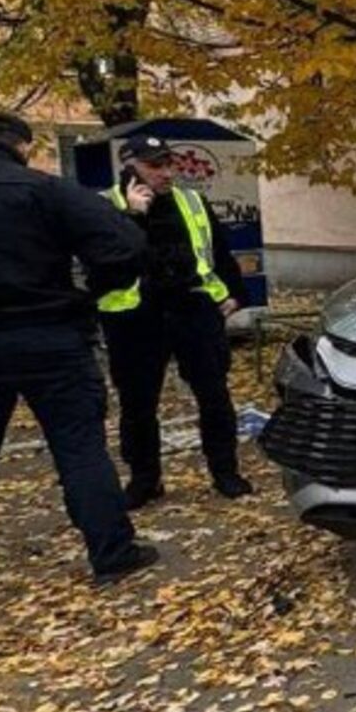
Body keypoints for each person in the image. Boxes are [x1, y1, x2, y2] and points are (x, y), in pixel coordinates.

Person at [0, 113, 161, 612]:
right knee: (80, 450)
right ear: (22, 146)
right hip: (49, 339)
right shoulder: (43, 189)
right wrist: (89, 291)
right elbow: (124, 244)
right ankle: (112, 554)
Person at [97, 136, 253, 508]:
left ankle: (225, 471)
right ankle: (145, 479)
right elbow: (104, 259)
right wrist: (132, 216)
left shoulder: (191, 200)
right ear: (130, 166)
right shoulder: (106, 206)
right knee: (138, 403)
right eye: (155, 165)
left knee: (214, 395)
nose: (167, 172)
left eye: (169, 163)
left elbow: (220, 251)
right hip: (135, 316)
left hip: (192, 308)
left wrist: (235, 294)